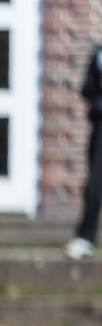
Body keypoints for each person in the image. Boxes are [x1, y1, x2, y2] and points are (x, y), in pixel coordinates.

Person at [66, 44, 102, 260]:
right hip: (100, 126)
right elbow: (86, 89)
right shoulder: (98, 54)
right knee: (94, 186)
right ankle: (86, 237)